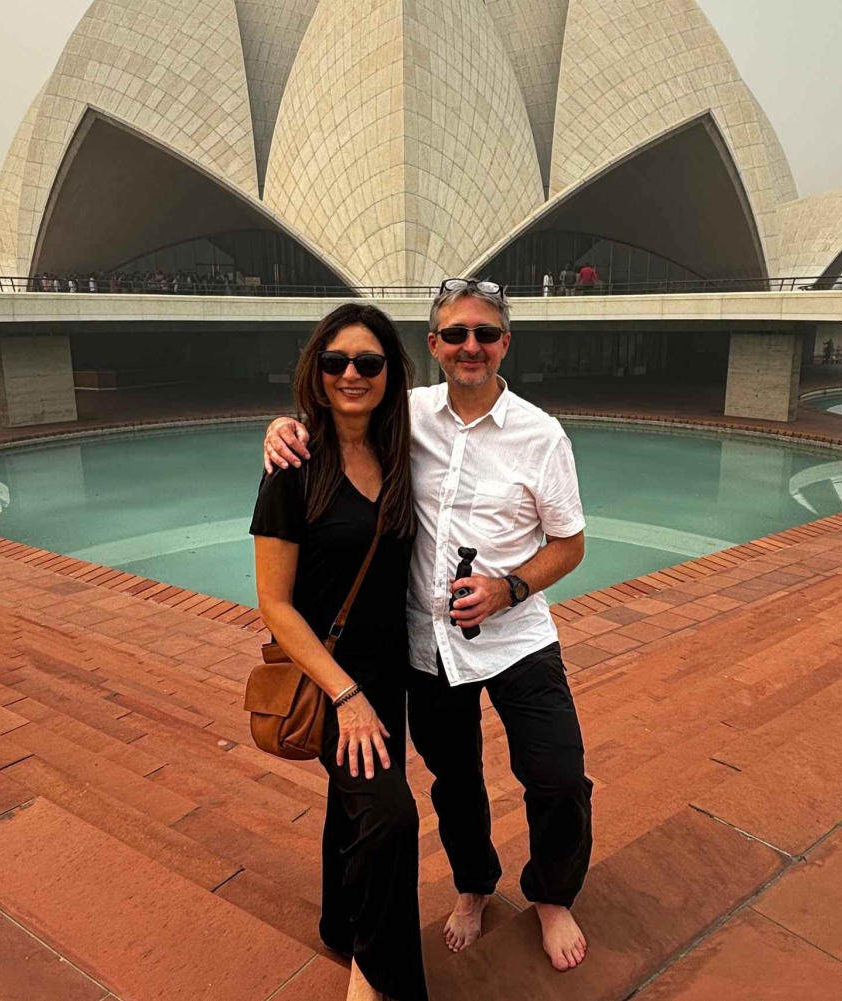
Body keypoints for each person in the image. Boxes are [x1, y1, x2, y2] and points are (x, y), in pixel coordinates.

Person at [265, 279, 593, 973]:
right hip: (430, 643)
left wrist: (508, 588)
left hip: (518, 637)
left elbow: (570, 544)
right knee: (455, 779)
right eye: (456, 334)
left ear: (505, 343)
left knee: (559, 776)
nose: (471, 346)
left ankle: (552, 893)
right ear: (434, 345)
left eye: (484, 333)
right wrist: (283, 426)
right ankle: (474, 884)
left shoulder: (541, 435)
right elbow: (338, 410)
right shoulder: (404, 414)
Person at [251, 303, 428, 1001]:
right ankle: (377, 976)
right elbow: (274, 604)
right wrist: (346, 695)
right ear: (316, 372)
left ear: (390, 374)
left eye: (368, 362)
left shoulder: (401, 454)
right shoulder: (293, 466)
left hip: (391, 673)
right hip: (331, 679)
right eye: (336, 362)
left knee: (353, 803)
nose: (351, 374)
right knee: (390, 815)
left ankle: (340, 922)